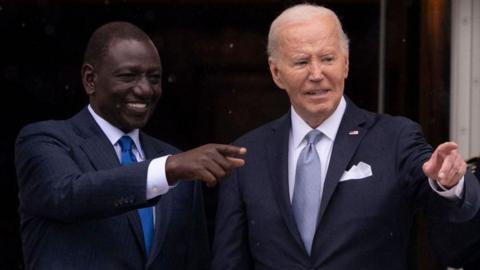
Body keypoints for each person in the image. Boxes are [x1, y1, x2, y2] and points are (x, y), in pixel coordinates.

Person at [211, 4, 480, 270]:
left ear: (346, 63)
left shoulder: (394, 139)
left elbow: (453, 237)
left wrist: (451, 186)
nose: (317, 75)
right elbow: (229, 261)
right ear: (276, 73)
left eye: (328, 59)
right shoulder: (247, 155)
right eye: (302, 62)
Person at [15, 21, 246, 270]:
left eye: (154, 78)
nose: (145, 89)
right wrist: (167, 170)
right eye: (128, 76)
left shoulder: (176, 161)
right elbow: (68, 195)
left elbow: (194, 261)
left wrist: (172, 166)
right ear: (90, 79)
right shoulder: (45, 140)